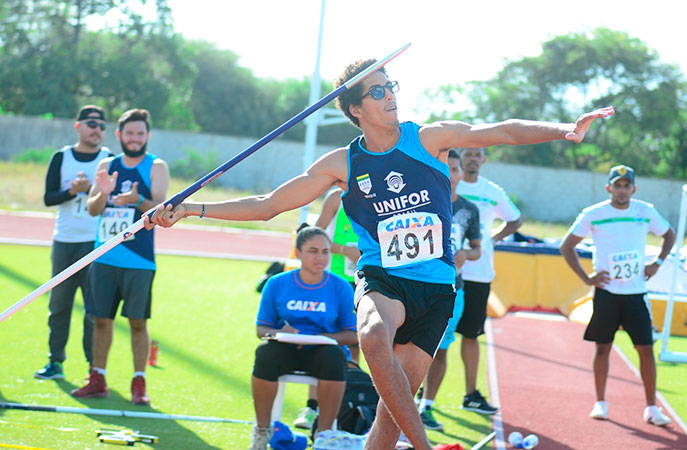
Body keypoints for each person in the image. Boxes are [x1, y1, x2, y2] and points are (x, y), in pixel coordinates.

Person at [145, 57, 613, 449]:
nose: (390, 95)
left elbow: (501, 132)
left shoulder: (428, 139)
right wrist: (190, 208)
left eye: (391, 86)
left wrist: (565, 130)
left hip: (436, 288)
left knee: (391, 416)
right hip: (383, 278)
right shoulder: (343, 163)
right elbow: (269, 205)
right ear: (355, 109)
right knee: (371, 336)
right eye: (377, 91)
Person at [559, 165, 676, 427]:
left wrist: (657, 263)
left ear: (634, 188)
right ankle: (600, 403)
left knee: (645, 349)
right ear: (608, 188)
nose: (622, 190)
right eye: (617, 185)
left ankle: (651, 408)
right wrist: (586, 278)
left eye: (626, 185)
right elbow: (567, 246)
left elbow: (669, 235)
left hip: (636, 293)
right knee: (603, 347)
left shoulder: (645, 211)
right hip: (607, 293)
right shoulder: (593, 214)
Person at [71, 109, 169, 406]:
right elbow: (93, 209)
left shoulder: (156, 166)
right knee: (101, 320)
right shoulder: (107, 165)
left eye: (140, 133)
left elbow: (163, 211)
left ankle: (139, 382)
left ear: (147, 136)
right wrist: (104, 193)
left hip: (139, 260)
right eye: (129, 133)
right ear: (119, 135)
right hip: (105, 257)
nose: (135, 138)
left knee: (137, 323)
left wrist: (138, 200)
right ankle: (97, 378)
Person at [249, 225, 359, 449]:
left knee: (334, 357)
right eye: (313, 251)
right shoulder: (277, 283)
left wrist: (322, 337)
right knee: (265, 353)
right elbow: (261, 330)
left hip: (323, 353)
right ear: (298, 253)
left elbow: (353, 334)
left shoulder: (341, 287)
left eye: (325, 251)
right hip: (286, 350)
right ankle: (262, 430)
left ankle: (325, 435)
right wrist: (280, 333)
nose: (320, 257)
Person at [35, 105, 113, 380]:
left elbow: (114, 201)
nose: (97, 130)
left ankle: (94, 368)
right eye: (91, 124)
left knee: (94, 309)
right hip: (65, 241)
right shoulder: (62, 157)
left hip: (96, 244)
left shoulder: (109, 159)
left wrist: (92, 190)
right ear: (78, 126)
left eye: (102, 126)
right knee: (59, 305)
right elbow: (48, 198)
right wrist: (72, 191)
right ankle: (55, 362)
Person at [276, 187, 363, 431]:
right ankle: (312, 407)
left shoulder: (379, 194)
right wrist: (346, 250)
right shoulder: (336, 197)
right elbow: (314, 238)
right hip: (335, 280)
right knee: (324, 342)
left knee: (356, 345)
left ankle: (347, 406)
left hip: (366, 281)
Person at [454, 146, 522, 414]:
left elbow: (515, 220)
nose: (472, 159)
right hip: (447, 272)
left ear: (484, 159)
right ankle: (424, 392)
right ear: (460, 157)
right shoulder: (449, 184)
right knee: (436, 337)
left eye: (477, 155)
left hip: (479, 273)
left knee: (471, 335)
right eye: (467, 154)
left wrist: (492, 239)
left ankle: (470, 394)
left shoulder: (492, 191)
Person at [418, 149, 481, 431]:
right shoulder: (420, 203)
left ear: (461, 174)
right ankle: (398, 402)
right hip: (418, 286)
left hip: (453, 289)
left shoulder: (469, 210)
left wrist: (465, 254)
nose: (450, 174)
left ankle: (426, 407)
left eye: (455, 169)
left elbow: (477, 249)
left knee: (440, 350)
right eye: (444, 167)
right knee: (408, 347)